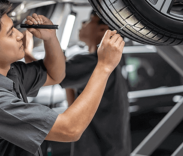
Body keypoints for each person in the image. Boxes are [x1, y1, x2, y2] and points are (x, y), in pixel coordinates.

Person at [0, 0, 125, 156]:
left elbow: (55, 74)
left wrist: (50, 39)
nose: (20, 35)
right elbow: (70, 129)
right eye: (11, 33)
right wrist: (104, 67)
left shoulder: (9, 73)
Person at [25, 10, 130, 156]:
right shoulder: (101, 63)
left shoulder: (92, 62)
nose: (82, 23)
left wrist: (26, 51)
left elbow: (49, 73)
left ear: (103, 29)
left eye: (89, 20)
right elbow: (71, 95)